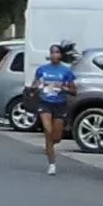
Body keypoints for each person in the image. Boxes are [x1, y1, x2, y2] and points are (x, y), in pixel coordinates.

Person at [26, 43, 78, 175]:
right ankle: (52, 163)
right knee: (47, 130)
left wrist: (62, 88)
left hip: (60, 104)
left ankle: (51, 144)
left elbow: (74, 91)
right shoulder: (42, 70)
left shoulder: (66, 71)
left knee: (56, 137)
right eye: (52, 52)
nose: (54, 55)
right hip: (45, 103)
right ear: (49, 55)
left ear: (61, 55)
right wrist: (35, 87)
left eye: (57, 52)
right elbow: (34, 85)